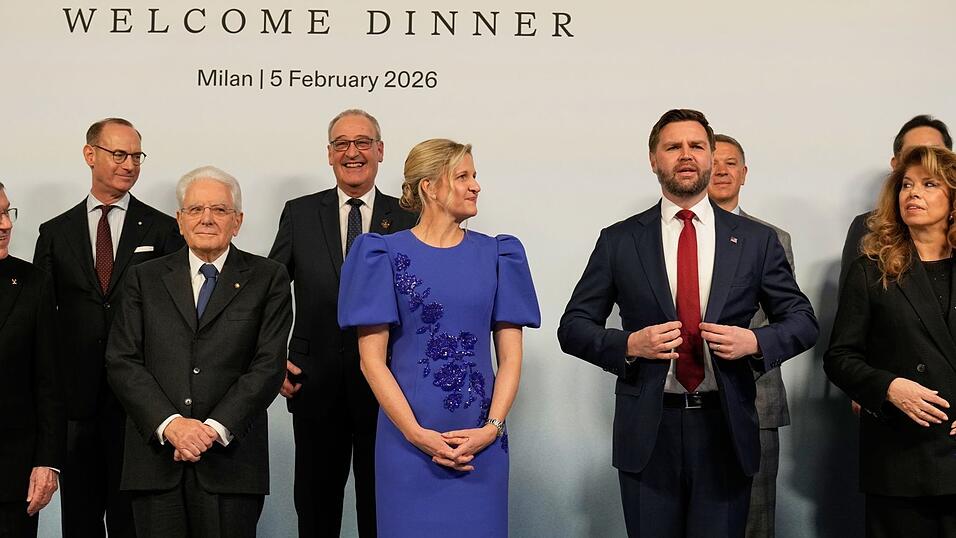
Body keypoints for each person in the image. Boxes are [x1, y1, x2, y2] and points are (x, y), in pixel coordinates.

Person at [557, 109, 818, 537]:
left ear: (712, 157)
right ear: (653, 159)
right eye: (672, 146)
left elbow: (802, 321)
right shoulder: (620, 239)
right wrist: (628, 345)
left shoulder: (755, 240)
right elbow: (573, 327)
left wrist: (754, 341)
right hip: (648, 431)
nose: (685, 155)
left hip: (726, 428)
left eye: (696, 146)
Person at [337, 138, 540, 537]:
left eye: (475, 176)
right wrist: (416, 435)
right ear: (429, 186)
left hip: (482, 445)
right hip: (407, 444)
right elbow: (371, 361)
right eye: (463, 176)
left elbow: (511, 359)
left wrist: (491, 428)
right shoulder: (381, 254)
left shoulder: (499, 254)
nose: (476, 185)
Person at [105, 166, 293, 537]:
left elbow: (268, 365)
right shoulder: (143, 277)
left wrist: (210, 430)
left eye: (220, 210)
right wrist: (172, 425)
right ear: (179, 220)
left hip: (230, 464)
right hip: (156, 463)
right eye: (195, 210)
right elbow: (122, 360)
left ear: (237, 221)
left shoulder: (268, 278)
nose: (206, 219)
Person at [269, 108, 417, 537]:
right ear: (329, 154)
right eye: (342, 144)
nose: (352, 152)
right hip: (313, 384)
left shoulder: (409, 215)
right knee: (316, 507)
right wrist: (273, 358)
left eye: (363, 143)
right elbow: (270, 293)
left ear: (381, 151)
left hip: (392, 388)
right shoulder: (298, 213)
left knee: (382, 507)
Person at [33, 117, 183, 537]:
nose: (130, 164)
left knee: (132, 520)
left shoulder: (163, 229)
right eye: (119, 154)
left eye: (136, 156)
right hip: (75, 406)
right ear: (90, 155)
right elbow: (43, 321)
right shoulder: (55, 232)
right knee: (78, 520)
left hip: (139, 404)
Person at [825, 145, 956, 537]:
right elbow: (840, 357)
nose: (912, 193)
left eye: (928, 184)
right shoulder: (871, 269)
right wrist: (888, 387)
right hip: (900, 458)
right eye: (906, 185)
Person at [708, 133, 795, 538]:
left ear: (744, 174)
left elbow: (789, 321)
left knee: (755, 523)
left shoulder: (773, 239)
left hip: (756, 399)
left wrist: (754, 346)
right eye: (715, 161)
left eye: (732, 163)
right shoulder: (664, 235)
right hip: (683, 401)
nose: (722, 170)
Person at [0, 182, 65, 537]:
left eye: (7, 212)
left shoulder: (33, 283)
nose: (6, 224)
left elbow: (49, 383)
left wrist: (47, 462)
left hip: (12, 480)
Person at [840, 115, 953, 290]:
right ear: (896, 164)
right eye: (913, 154)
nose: (923, 160)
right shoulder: (866, 239)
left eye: (934, 153)